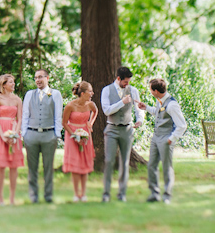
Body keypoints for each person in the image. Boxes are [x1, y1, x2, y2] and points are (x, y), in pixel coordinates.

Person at [138, 78, 187, 204]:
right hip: (156, 137)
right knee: (151, 165)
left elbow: (182, 125)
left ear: (155, 91)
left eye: (150, 90)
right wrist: (146, 108)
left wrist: (172, 139)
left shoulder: (172, 104)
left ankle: (167, 195)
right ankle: (154, 193)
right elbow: (158, 113)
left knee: (166, 167)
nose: (150, 92)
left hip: (166, 138)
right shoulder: (160, 101)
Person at [101, 66, 144, 203]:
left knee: (125, 162)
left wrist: (140, 120)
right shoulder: (106, 90)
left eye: (129, 82)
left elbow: (138, 108)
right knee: (109, 161)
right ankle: (106, 193)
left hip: (127, 129)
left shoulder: (133, 91)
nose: (127, 84)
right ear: (118, 78)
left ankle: (122, 193)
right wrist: (122, 102)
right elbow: (107, 111)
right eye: (125, 82)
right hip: (112, 129)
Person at [21, 69, 63, 203]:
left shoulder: (55, 94)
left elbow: (58, 115)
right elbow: (25, 115)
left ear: (47, 78)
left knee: (48, 167)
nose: (38, 80)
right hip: (31, 134)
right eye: (35, 78)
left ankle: (48, 195)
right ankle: (33, 196)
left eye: (40, 77)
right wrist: (24, 134)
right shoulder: (29, 94)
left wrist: (56, 135)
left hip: (49, 134)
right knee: (32, 167)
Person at [0, 74, 24, 206]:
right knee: (1, 166)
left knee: (14, 166)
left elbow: (20, 119)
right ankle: (0, 196)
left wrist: (15, 134)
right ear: (3, 84)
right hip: (0, 132)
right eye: (10, 82)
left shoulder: (17, 100)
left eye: (14, 82)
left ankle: (12, 197)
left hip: (14, 131)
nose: (13, 84)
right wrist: (3, 135)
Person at [62, 81, 97, 202]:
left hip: (85, 135)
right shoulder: (70, 106)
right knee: (76, 165)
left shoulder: (90, 104)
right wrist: (74, 136)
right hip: (72, 136)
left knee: (85, 164)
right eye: (90, 91)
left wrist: (90, 124)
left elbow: (95, 111)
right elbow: (64, 123)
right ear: (83, 93)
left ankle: (84, 193)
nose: (92, 93)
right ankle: (76, 194)